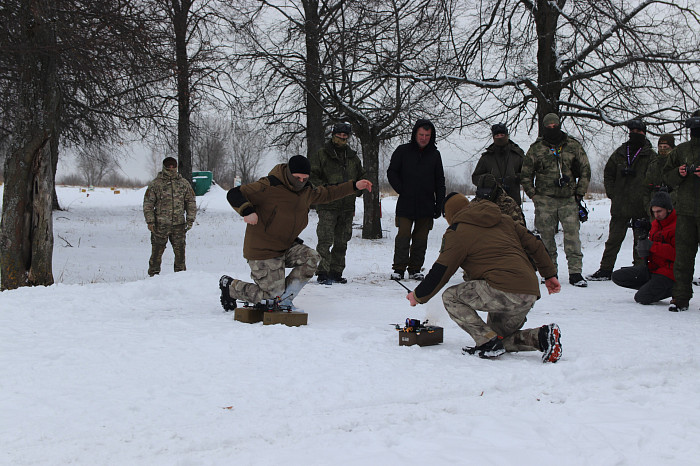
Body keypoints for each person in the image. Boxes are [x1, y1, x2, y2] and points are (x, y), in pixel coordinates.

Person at [406, 193, 563, 362]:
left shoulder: (457, 232)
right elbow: (535, 244)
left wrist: (418, 296)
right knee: (498, 338)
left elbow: (441, 271)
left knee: (451, 297)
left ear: (449, 214)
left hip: (504, 290)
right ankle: (542, 337)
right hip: (529, 291)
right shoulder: (504, 220)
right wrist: (549, 275)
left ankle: (487, 343)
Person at [219, 155, 372, 311]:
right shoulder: (268, 186)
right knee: (272, 296)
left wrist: (354, 186)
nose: (301, 182)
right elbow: (235, 193)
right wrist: (247, 210)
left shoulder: (306, 190)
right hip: (263, 250)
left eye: (305, 178)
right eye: (297, 178)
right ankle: (231, 287)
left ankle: (284, 301)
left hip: (285, 246)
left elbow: (328, 193)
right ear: (289, 173)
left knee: (312, 258)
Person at [521, 113, 591, 287]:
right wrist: (533, 195)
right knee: (546, 240)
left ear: (559, 125)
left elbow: (585, 170)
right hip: (545, 200)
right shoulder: (536, 149)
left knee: (573, 238)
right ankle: (549, 272)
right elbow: (525, 174)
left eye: (555, 126)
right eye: (548, 126)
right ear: (544, 127)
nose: (552, 129)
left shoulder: (573, 146)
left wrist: (579, 193)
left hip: (568, 199)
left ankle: (575, 272)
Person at [588, 120, 656, 281]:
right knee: (613, 239)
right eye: (632, 130)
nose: (634, 133)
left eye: (638, 131)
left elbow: (654, 179)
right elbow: (608, 174)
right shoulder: (620, 152)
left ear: (644, 133)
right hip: (620, 205)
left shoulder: (650, 155)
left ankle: (640, 270)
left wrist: (648, 199)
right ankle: (605, 269)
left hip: (641, 206)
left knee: (641, 241)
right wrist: (612, 193)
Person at [387, 118, 446, 280]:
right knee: (403, 236)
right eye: (421, 134)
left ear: (431, 136)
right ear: (415, 134)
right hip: (406, 203)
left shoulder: (435, 155)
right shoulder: (402, 151)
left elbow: (440, 182)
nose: (424, 138)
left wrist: (439, 204)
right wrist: (402, 189)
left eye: (427, 135)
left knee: (421, 239)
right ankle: (398, 268)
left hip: (426, 205)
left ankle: (415, 268)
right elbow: (392, 172)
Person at [309, 122, 366, 285]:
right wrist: (325, 190)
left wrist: (359, 189)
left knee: (342, 241)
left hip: (347, 206)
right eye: (339, 135)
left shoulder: (353, 157)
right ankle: (322, 272)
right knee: (325, 240)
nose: (342, 138)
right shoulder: (322, 154)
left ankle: (336, 271)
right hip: (327, 205)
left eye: (345, 135)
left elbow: (361, 177)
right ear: (333, 134)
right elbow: (313, 177)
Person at [662, 110, 700, 312]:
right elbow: (666, 176)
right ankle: (680, 296)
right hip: (685, 211)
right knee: (683, 256)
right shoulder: (681, 150)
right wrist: (680, 172)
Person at [611, 191, 676, 304]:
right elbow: (651, 249)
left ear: (669, 209)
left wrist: (651, 246)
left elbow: (677, 254)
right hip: (652, 268)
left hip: (669, 273)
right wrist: (643, 248)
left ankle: (673, 289)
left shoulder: (678, 226)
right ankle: (652, 287)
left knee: (642, 298)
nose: (656, 215)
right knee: (617, 276)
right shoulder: (655, 224)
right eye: (654, 212)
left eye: (659, 211)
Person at [143, 157, 196, 276]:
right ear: (164, 166)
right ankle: (153, 276)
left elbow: (191, 201)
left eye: (173, 166)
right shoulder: (156, 183)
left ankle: (180, 277)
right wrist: (150, 221)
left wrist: (190, 219)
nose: (171, 168)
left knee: (180, 255)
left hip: (179, 225)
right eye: (168, 166)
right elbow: (148, 203)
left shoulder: (183, 183)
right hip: (160, 225)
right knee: (156, 252)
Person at [471, 123, 525, 205]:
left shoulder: (517, 155)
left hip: (513, 202)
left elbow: (527, 174)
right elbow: (475, 178)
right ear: (493, 137)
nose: (500, 137)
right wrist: (487, 180)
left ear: (507, 135)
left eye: (502, 135)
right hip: (491, 202)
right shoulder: (486, 157)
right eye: (497, 135)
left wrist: (515, 178)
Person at [645, 133, 677, 207]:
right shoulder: (653, 165)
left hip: (673, 207)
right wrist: (648, 207)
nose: (663, 149)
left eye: (665, 147)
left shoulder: (677, 163)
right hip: (655, 208)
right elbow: (646, 188)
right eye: (660, 147)